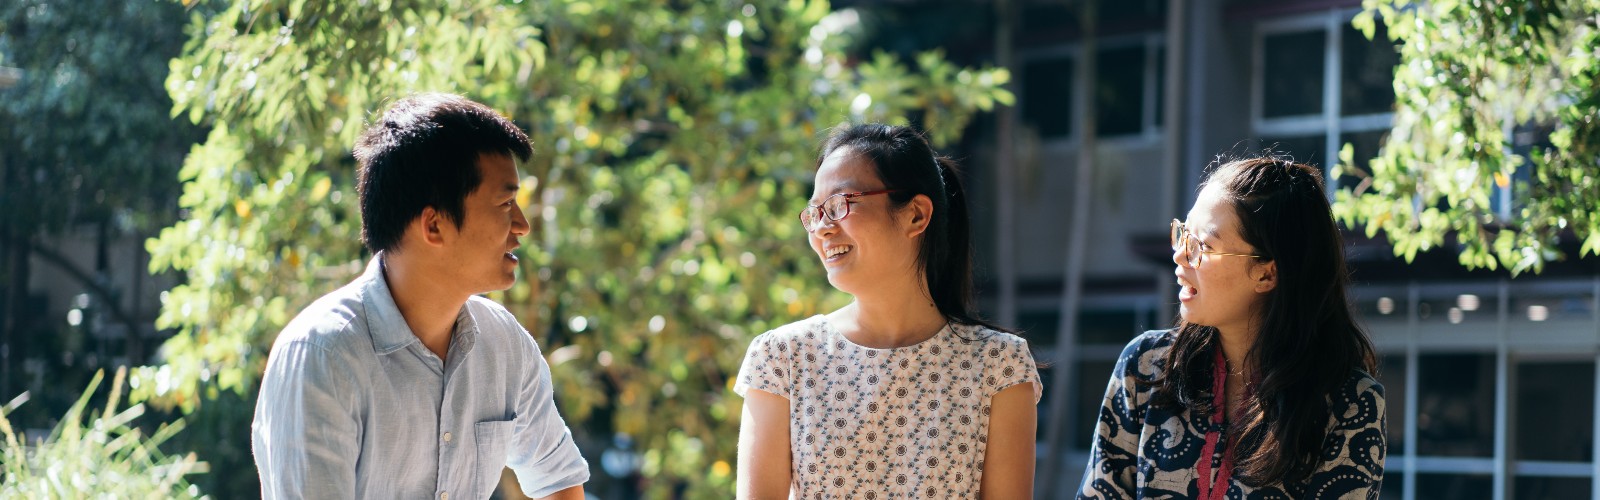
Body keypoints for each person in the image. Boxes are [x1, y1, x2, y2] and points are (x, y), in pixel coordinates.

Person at [251, 93, 588, 499]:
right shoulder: (323, 355)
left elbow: (559, 480)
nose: (522, 225)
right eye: (505, 203)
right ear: (434, 226)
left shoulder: (504, 346)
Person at [734, 124, 1041, 499]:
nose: (822, 230)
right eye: (815, 213)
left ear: (915, 215)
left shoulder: (999, 365)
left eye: (840, 204)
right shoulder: (781, 358)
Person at [1077, 156, 1386, 499]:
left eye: (1204, 246)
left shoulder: (1351, 404)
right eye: (1183, 233)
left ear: (1267, 273)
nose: (1180, 255)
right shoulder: (1146, 367)